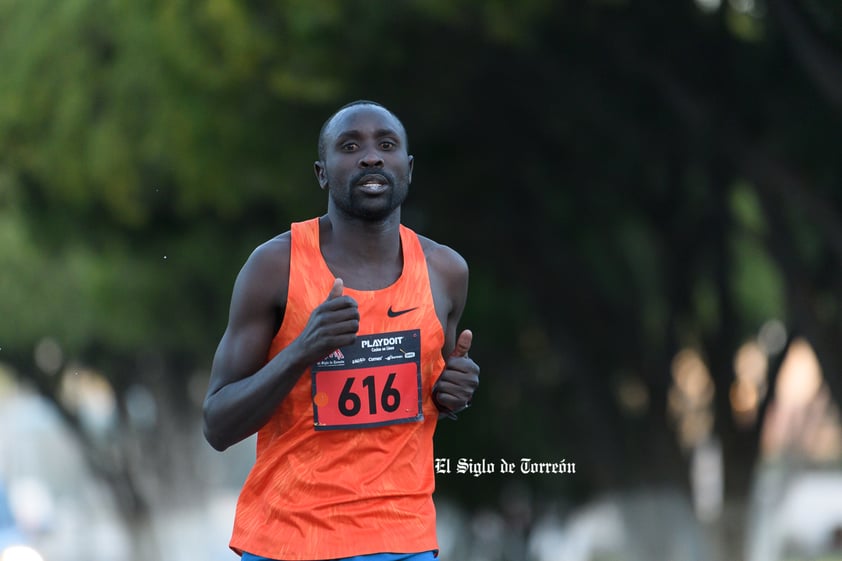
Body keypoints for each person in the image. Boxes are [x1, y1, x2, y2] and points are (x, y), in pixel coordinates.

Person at [202, 100, 481, 561]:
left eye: (386, 145)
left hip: (402, 538)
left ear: (407, 169)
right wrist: (301, 350)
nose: (371, 157)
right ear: (322, 173)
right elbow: (217, 424)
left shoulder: (444, 271)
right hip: (289, 539)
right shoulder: (275, 267)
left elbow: (425, 397)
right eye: (350, 147)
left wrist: (452, 395)